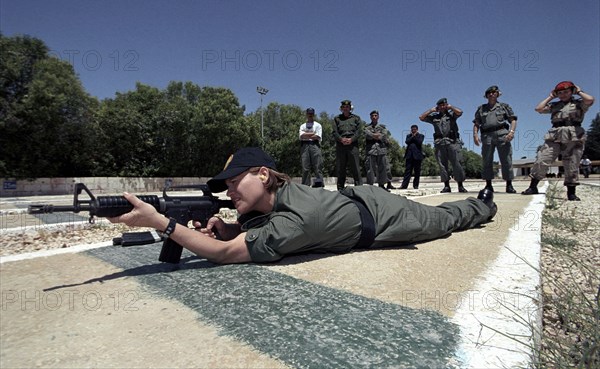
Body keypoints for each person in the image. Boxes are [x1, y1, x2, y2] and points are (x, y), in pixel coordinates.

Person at [108, 147, 497, 264]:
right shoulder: (275, 205)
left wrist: (162, 223)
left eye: (234, 181)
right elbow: (247, 232)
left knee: (446, 218)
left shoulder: (297, 222)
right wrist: (235, 226)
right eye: (225, 185)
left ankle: (483, 205)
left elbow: (226, 255)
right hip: (360, 198)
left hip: (387, 216)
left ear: (263, 175)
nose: (229, 191)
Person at [522, 81, 595, 201]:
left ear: (572, 92)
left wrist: (579, 91)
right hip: (555, 135)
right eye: (560, 93)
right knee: (542, 159)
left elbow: (590, 100)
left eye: (566, 92)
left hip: (574, 135)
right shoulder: (555, 105)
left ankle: (571, 193)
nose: (563, 94)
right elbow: (538, 108)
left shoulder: (579, 103)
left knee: (572, 163)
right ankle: (533, 186)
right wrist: (550, 97)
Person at [473, 86, 518, 193]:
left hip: (502, 134)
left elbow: (513, 120)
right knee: (487, 160)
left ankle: (509, 185)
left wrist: (511, 132)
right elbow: (476, 123)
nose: (491, 94)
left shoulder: (504, 107)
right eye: (489, 93)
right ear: (486, 95)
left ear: (498, 94)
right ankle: (488, 185)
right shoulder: (481, 109)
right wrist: (475, 135)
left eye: (494, 92)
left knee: (506, 159)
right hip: (487, 135)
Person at [419, 98, 468, 193]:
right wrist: (431, 110)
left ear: (446, 105)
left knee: (457, 163)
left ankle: (460, 185)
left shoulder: (451, 115)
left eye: (444, 105)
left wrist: (451, 107)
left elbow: (460, 112)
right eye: (440, 105)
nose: (442, 107)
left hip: (452, 142)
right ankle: (446, 186)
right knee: (442, 165)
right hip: (440, 143)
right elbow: (421, 118)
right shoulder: (435, 117)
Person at [332, 100, 363, 190]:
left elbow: (359, 132)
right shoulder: (337, 119)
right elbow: (334, 132)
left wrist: (351, 139)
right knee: (341, 167)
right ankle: (340, 188)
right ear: (341, 109)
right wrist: (341, 139)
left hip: (353, 145)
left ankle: (359, 188)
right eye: (344, 107)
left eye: (347, 107)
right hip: (341, 145)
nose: (345, 109)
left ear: (350, 108)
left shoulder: (356, 118)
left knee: (355, 167)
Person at [364, 110, 392, 191]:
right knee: (370, 168)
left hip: (381, 150)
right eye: (372, 116)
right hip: (371, 150)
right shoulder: (367, 127)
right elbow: (367, 136)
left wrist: (372, 135)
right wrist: (375, 135)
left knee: (382, 168)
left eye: (375, 115)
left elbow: (383, 136)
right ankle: (370, 185)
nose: (374, 117)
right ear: (370, 117)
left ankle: (382, 185)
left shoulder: (382, 127)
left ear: (378, 117)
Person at [299, 107, 324, 187]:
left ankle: (319, 185)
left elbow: (317, 136)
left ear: (314, 114)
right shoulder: (302, 125)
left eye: (311, 114)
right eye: (309, 113)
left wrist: (306, 134)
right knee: (305, 167)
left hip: (315, 145)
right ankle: (305, 186)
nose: (310, 115)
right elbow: (301, 136)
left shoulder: (318, 125)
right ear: (306, 114)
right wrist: (312, 134)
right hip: (305, 146)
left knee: (317, 166)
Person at [400, 125, 425, 189]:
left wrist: (414, 137)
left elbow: (419, 142)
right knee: (407, 171)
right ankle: (404, 185)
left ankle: (416, 185)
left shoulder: (421, 136)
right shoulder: (408, 136)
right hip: (409, 156)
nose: (413, 130)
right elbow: (407, 142)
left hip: (417, 156)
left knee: (417, 172)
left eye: (414, 129)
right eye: (412, 129)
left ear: (417, 130)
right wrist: (412, 136)